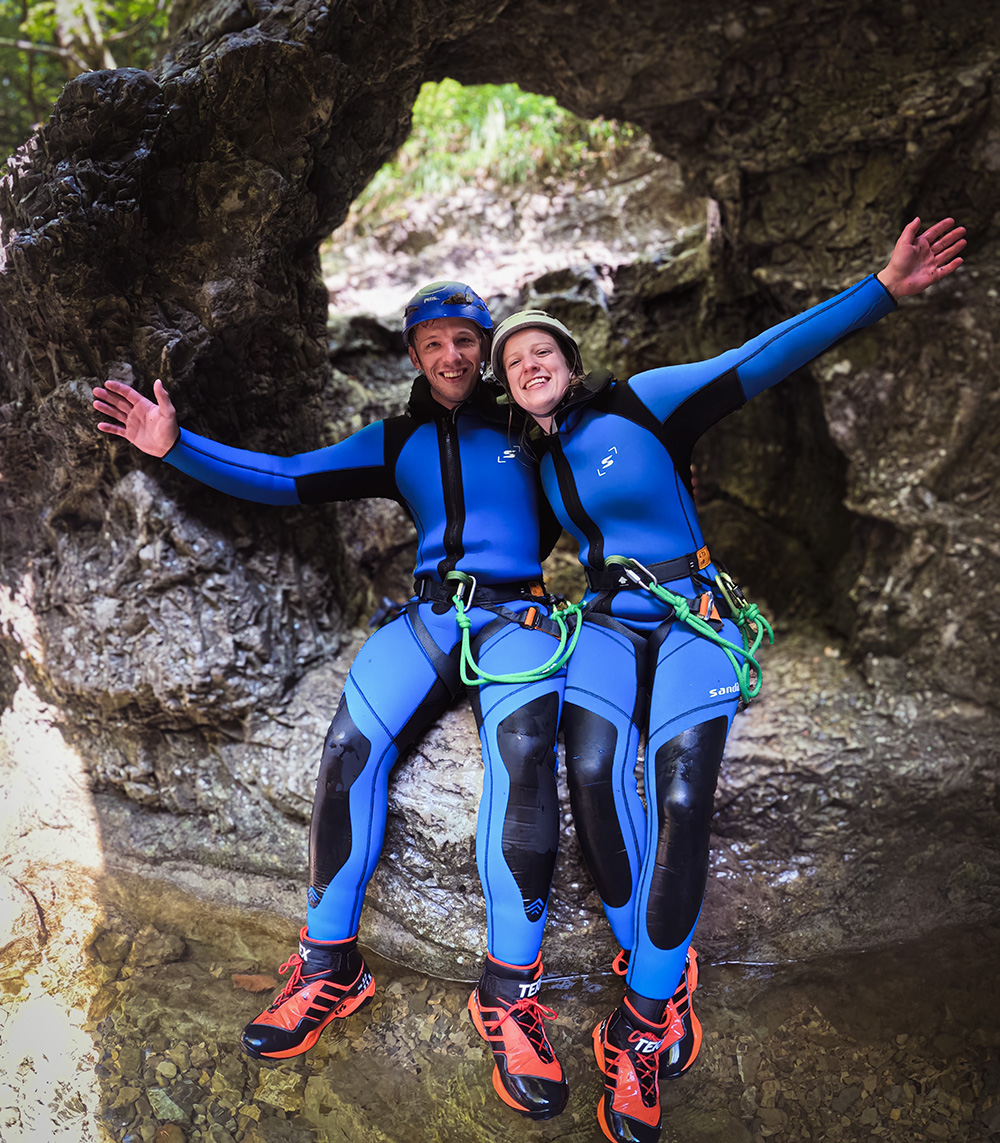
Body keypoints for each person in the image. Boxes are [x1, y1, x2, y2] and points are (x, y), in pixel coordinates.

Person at [488, 217, 966, 1143]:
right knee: (587, 773)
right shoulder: (537, 464)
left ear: (572, 364)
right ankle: (652, 956)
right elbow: (504, 544)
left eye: (545, 349)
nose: (530, 363)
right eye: (516, 361)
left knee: (679, 791)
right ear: (510, 387)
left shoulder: (644, 402)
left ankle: (644, 1016)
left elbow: (761, 357)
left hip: (693, 613)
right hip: (606, 622)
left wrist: (881, 288)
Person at [93, 282, 574, 1121]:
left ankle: (510, 997)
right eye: (435, 343)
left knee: (527, 758)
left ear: (488, 348)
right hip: (428, 616)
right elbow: (285, 478)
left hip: (522, 616)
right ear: (414, 355)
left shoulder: (530, 420)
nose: (453, 356)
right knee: (350, 747)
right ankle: (329, 971)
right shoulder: (397, 441)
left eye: (468, 340)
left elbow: (607, 473)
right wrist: (175, 447)